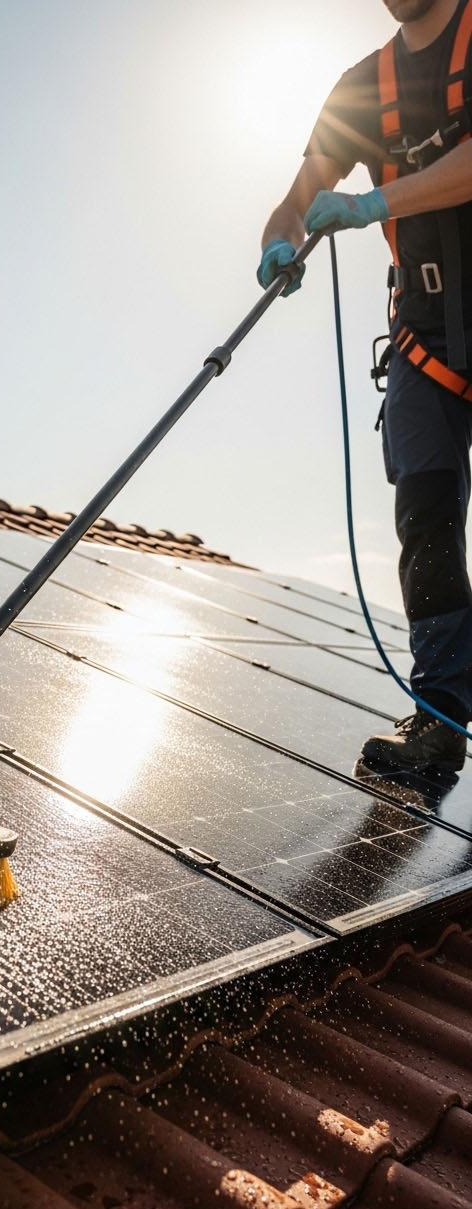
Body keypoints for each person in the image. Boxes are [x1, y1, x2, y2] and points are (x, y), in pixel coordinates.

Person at [259, 0, 472, 774]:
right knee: (425, 513)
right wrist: (281, 240)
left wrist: (375, 201)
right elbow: (298, 193)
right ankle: (441, 716)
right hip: (426, 339)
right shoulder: (361, 88)